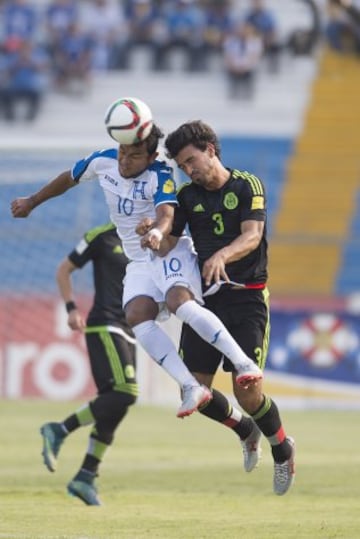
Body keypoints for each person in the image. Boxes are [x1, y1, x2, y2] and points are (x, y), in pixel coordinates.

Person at [11, 114, 261, 420]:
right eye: (122, 152)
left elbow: (166, 214)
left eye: (134, 155)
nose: (124, 161)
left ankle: (244, 363)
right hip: (139, 259)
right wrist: (32, 201)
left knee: (177, 301)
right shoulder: (102, 161)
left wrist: (156, 231)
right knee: (136, 314)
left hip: (169, 250)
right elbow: (68, 178)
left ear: (151, 157)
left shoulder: (162, 173)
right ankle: (188, 386)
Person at [161, 120, 295, 496]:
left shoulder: (247, 185)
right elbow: (169, 242)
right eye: (182, 166)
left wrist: (222, 253)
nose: (189, 170)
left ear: (210, 150)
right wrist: (151, 234)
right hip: (206, 303)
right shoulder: (187, 197)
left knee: (247, 391)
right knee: (196, 392)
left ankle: (282, 449)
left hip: (248, 298)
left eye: (191, 160)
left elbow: (252, 236)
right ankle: (244, 430)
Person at [40, 223, 137, 506]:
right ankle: (60, 429)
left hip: (131, 328)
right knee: (125, 393)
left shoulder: (152, 235)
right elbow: (64, 270)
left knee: (115, 405)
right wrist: (71, 309)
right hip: (104, 324)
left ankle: (85, 476)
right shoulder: (101, 236)